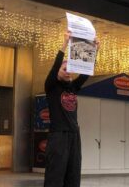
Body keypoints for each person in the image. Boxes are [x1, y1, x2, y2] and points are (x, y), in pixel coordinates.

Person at [44, 32, 98, 187]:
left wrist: (94, 50)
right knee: (55, 175)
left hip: (74, 135)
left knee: (73, 174)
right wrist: (65, 44)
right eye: (64, 68)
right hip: (58, 136)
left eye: (70, 68)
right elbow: (55, 68)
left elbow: (86, 72)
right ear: (58, 72)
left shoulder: (73, 87)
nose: (67, 71)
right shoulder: (51, 86)